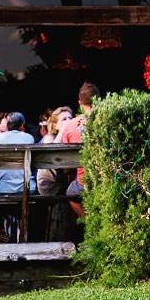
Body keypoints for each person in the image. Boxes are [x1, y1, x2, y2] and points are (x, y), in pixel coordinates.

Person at [61, 82, 101, 217]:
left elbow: (65, 160)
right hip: (106, 179)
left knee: (71, 193)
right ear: (98, 101)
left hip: (84, 182)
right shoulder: (108, 121)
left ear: (79, 103)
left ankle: (89, 220)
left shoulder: (70, 126)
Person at [0, 112, 37, 194]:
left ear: (7, 124)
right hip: (27, 187)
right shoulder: (29, 138)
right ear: (22, 125)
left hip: (3, 187)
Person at [37, 106, 73, 196]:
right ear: (55, 125)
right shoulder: (49, 137)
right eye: (64, 119)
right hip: (50, 184)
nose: (68, 121)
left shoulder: (69, 137)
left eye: (70, 118)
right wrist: (63, 130)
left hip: (63, 181)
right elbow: (52, 156)